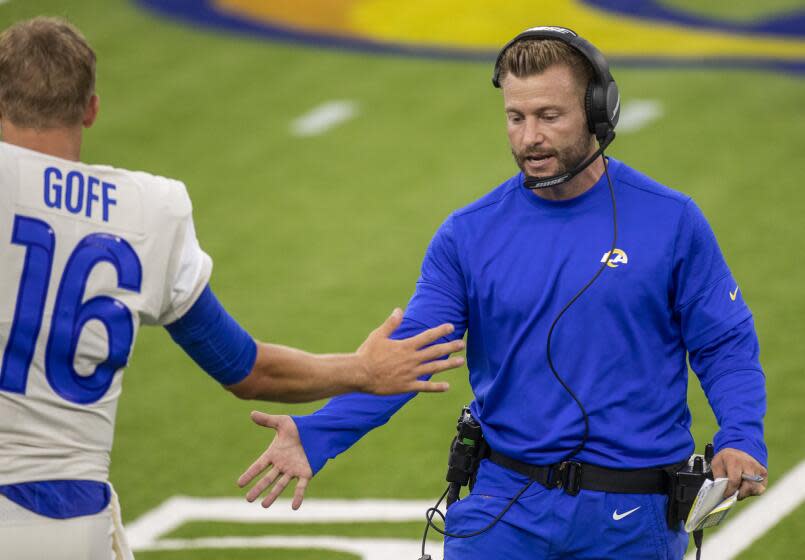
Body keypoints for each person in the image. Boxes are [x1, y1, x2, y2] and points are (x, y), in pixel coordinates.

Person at [239, 27, 768, 559]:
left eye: (549, 116)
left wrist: (741, 436)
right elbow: (407, 358)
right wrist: (317, 436)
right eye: (516, 117)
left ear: (598, 112)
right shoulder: (468, 234)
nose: (529, 137)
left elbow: (724, 343)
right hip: (503, 510)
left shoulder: (671, 220)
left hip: (631, 521)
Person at [0, 16, 467, 560]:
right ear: (91, 109)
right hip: (71, 522)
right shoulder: (150, 209)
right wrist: (360, 370)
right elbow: (246, 368)